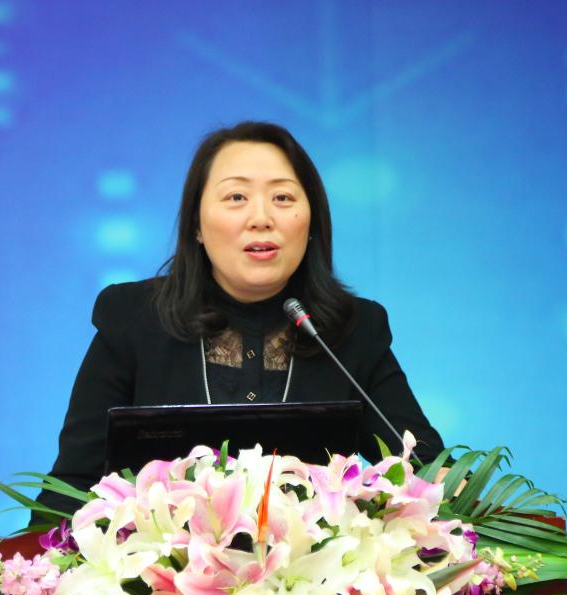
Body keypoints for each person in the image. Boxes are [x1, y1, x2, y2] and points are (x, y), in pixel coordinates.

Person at [33, 121, 443, 519]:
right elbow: (73, 488)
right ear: (196, 224)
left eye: (282, 198)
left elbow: (425, 473)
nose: (261, 218)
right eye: (236, 197)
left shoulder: (352, 329)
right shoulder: (133, 319)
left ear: (311, 222)